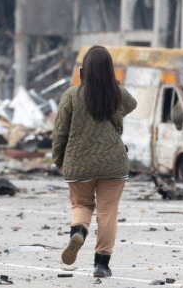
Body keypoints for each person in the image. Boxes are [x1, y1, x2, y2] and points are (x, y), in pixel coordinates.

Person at [52, 45, 137, 278]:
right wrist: (112, 84)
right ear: (109, 71)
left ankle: (78, 231)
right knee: (107, 213)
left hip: (79, 163)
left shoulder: (71, 95)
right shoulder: (116, 95)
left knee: (81, 206)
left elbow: (60, 132)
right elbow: (131, 104)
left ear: (84, 70)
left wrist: (59, 160)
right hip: (113, 164)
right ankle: (101, 264)